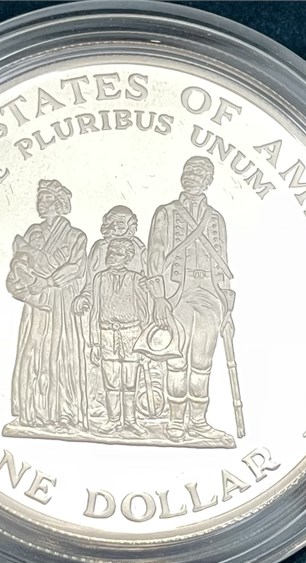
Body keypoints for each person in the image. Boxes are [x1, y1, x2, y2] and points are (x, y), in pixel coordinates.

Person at [146, 156, 235, 443]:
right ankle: (175, 421)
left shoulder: (217, 219)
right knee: (176, 361)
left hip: (210, 296)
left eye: (197, 173)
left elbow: (223, 264)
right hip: (177, 295)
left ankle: (197, 421)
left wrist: (228, 310)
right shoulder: (166, 213)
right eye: (187, 171)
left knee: (202, 363)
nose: (190, 176)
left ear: (208, 180)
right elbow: (155, 256)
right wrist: (159, 297)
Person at [6, 179, 88, 432]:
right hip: (37, 302)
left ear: (60, 202)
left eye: (47, 198)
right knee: (35, 351)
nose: (41, 203)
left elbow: (77, 268)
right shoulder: (32, 234)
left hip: (62, 302)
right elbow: (19, 264)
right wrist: (31, 286)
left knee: (63, 353)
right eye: (40, 198)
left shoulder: (76, 236)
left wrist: (49, 280)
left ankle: (64, 412)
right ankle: (35, 411)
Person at [89, 238, 150, 436]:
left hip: (131, 333)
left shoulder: (135, 279)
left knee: (130, 381)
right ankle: (113, 420)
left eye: (117, 253)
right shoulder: (99, 279)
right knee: (111, 381)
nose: (111, 256)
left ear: (127, 258)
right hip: (107, 333)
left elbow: (143, 312)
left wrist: (145, 344)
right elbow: (95, 312)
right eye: (110, 252)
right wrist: (94, 343)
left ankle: (131, 421)